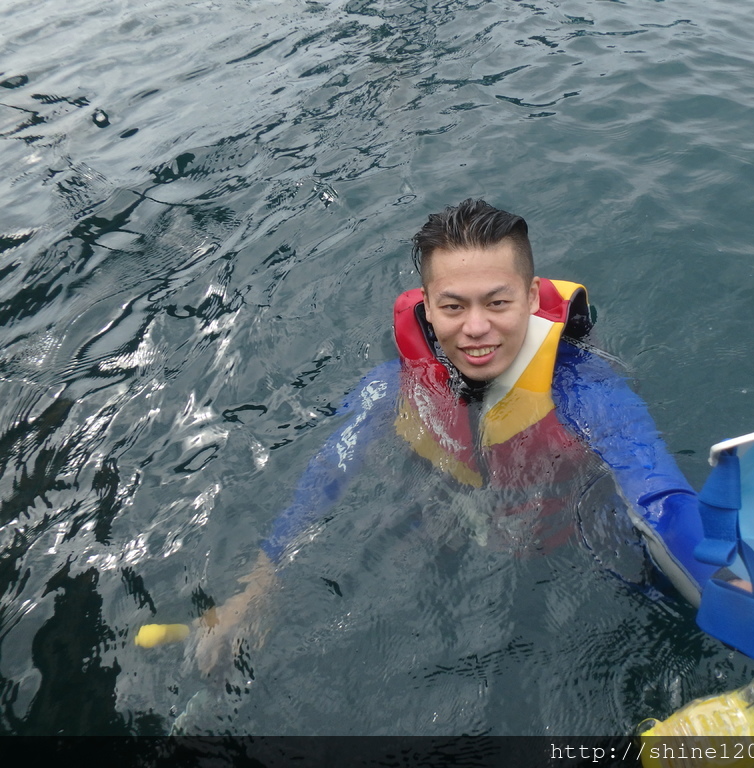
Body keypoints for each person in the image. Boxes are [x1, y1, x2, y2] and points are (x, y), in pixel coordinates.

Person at [195, 199, 714, 674]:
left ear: (532, 297)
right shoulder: (393, 387)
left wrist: (737, 580)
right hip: (452, 518)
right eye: (453, 307)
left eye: (497, 303)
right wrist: (257, 589)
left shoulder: (585, 389)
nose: (476, 328)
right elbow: (329, 470)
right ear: (426, 306)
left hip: (570, 529)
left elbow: (658, 496)